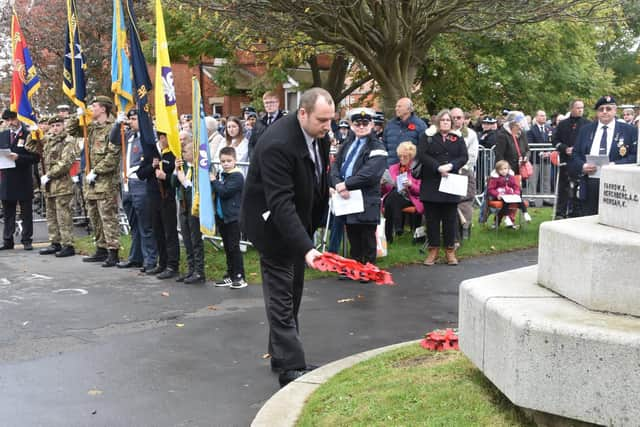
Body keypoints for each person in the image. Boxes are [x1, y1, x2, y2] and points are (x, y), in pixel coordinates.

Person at [241, 87, 332, 387]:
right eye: (322, 120)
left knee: (293, 291)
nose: (327, 126)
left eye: (330, 120)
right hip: (271, 225)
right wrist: (307, 248)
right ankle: (291, 367)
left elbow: (318, 178)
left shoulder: (320, 136)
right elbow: (281, 202)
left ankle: (280, 352)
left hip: (297, 224)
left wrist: (311, 231)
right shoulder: (277, 144)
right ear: (302, 113)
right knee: (281, 294)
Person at [330, 108, 387, 271]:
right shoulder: (348, 142)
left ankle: (368, 270)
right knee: (353, 235)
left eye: (365, 124)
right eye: (357, 124)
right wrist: (338, 184)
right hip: (346, 197)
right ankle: (355, 268)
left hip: (366, 197)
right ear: (352, 125)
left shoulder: (377, 146)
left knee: (367, 235)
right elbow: (335, 165)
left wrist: (346, 185)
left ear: (371, 124)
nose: (361, 127)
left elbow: (370, 173)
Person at [67, 96, 121, 266]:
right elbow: (71, 130)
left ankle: (113, 251)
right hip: (90, 183)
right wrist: (78, 116)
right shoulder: (91, 127)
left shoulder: (113, 128)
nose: (91, 108)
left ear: (103, 109)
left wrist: (96, 171)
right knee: (94, 216)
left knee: (107, 217)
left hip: (105, 181)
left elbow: (112, 156)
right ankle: (101, 248)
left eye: (94, 105)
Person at [568, 96, 638, 216]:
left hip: (617, 185)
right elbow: (575, 154)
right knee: (589, 219)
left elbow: (635, 156)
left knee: (613, 218)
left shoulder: (629, 131)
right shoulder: (586, 130)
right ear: (597, 112)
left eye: (608, 108)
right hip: (590, 182)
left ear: (615, 111)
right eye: (601, 109)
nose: (604, 111)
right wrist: (583, 166)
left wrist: (615, 165)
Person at [418, 109, 468, 266]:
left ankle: (450, 251)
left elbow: (463, 157)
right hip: (432, 181)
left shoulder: (457, 138)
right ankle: (433, 250)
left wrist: (451, 165)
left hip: (451, 181)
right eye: (443, 120)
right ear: (438, 121)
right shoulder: (428, 136)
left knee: (450, 219)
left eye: (448, 120)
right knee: (432, 220)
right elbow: (422, 154)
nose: (446, 122)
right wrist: (438, 167)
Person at [112, 109, 157, 272]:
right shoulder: (129, 136)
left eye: (134, 119)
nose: (130, 122)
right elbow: (114, 139)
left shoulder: (148, 137)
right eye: (129, 119)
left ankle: (150, 259)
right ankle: (136, 256)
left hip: (140, 183)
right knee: (134, 224)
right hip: (127, 185)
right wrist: (118, 124)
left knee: (146, 224)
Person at [137, 131, 180, 279]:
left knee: (169, 232)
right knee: (158, 231)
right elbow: (140, 174)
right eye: (161, 137)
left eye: (165, 137)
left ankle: (172, 265)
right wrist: (152, 166)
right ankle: (162, 263)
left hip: (166, 197)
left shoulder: (173, 155)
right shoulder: (153, 154)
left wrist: (165, 177)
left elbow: (177, 179)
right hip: (152, 197)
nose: (163, 140)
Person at [0, 109, 40, 251]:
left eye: (12, 119)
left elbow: (35, 158)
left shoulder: (28, 134)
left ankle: (26, 239)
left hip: (22, 177)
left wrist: (19, 157)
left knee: (26, 212)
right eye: (7, 120)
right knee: (8, 212)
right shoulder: (3, 135)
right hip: (7, 178)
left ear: (19, 119)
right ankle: (8, 240)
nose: (10, 123)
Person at [38, 116, 77, 257]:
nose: (55, 128)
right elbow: (31, 147)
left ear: (63, 126)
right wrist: (33, 134)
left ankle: (68, 244)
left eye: (58, 125)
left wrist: (49, 174)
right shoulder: (49, 140)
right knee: (51, 216)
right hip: (49, 186)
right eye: (53, 125)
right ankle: (55, 242)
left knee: (63, 216)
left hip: (62, 185)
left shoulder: (68, 141)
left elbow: (65, 163)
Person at [211, 146, 246, 289]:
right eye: (223, 161)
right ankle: (230, 275)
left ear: (235, 161)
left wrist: (214, 181)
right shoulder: (222, 175)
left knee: (234, 247)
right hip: (222, 217)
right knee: (227, 247)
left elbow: (224, 192)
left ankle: (240, 276)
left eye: (228, 161)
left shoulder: (237, 176)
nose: (225, 164)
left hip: (233, 217)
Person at [552, 99, 589, 219]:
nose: (580, 110)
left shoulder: (587, 124)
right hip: (565, 161)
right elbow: (555, 140)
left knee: (579, 187)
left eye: (582, 108)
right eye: (578, 108)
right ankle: (561, 212)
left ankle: (576, 212)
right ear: (572, 109)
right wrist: (565, 148)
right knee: (564, 187)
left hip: (580, 161)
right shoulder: (563, 124)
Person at [174, 139, 205, 284]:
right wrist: (176, 172)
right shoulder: (184, 168)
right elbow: (173, 184)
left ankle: (199, 271)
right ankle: (191, 269)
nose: (182, 154)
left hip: (195, 207)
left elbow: (196, 188)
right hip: (183, 205)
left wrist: (184, 181)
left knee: (195, 239)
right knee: (186, 239)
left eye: (185, 152)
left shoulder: (200, 168)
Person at [381, 141, 423, 244]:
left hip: (411, 198)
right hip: (395, 197)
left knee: (392, 199)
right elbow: (386, 190)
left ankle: (390, 234)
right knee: (393, 196)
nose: (402, 159)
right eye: (400, 156)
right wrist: (383, 185)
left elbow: (420, 190)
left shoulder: (417, 169)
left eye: (405, 157)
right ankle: (397, 227)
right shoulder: (393, 168)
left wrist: (410, 185)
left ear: (411, 157)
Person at [451, 107, 478, 241]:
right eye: (453, 117)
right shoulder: (444, 133)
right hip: (447, 173)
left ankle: (465, 229)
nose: (456, 120)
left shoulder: (470, 134)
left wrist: (458, 166)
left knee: (465, 201)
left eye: (459, 117)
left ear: (464, 119)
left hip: (464, 171)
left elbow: (472, 156)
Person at [487, 160, 532, 228]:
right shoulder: (495, 178)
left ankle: (525, 213)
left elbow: (515, 186)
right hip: (500, 196)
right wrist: (497, 194)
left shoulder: (511, 177)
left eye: (505, 169)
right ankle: (507, 218)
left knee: (519, 200)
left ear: (508, 169)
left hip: (510, 195)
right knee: (505, 203)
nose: (503, 171)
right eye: (501, 169)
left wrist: (516, 193)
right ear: (497, 170)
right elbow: (490, 189)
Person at [383, 97, 427, 166]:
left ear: (409, 109)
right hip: (390, 169)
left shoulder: (420, 125)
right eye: (396, 106)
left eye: (399, 106)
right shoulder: (390, 125)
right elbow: (383, 146)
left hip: (409, 170)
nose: (396, 109)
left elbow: (424, 149)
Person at [248, 91, 285, 157]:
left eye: (272, 102)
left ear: (278, 103)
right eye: (266, 103)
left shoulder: (285, 121)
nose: (269, 105)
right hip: (260, 161)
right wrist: (253, 158)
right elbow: (252, 143)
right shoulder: (259, 122)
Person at [494, 111, 529, 175]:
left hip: (520, 167)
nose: (521, 125)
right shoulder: (503, 135)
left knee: (520, 184)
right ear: (512, 123)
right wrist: (502, 169)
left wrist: (526, 158)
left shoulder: (522, 133)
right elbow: (499, 154)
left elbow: (526, 149)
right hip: (507, 169)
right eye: (519, 122)